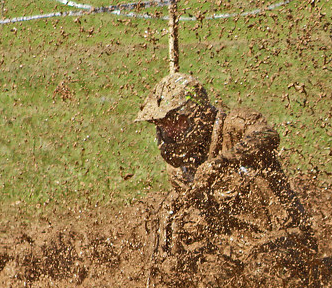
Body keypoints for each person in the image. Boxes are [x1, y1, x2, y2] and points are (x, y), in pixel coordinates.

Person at [135, 71, 315, 261]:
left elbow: (267, 135)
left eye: (174, 121)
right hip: (233, 252)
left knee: (261, 265)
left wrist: (222, 162)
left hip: (286, 239)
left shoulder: (234, 126)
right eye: (161, 124)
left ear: (195, 115)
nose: (168, 131)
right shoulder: (180, 167)